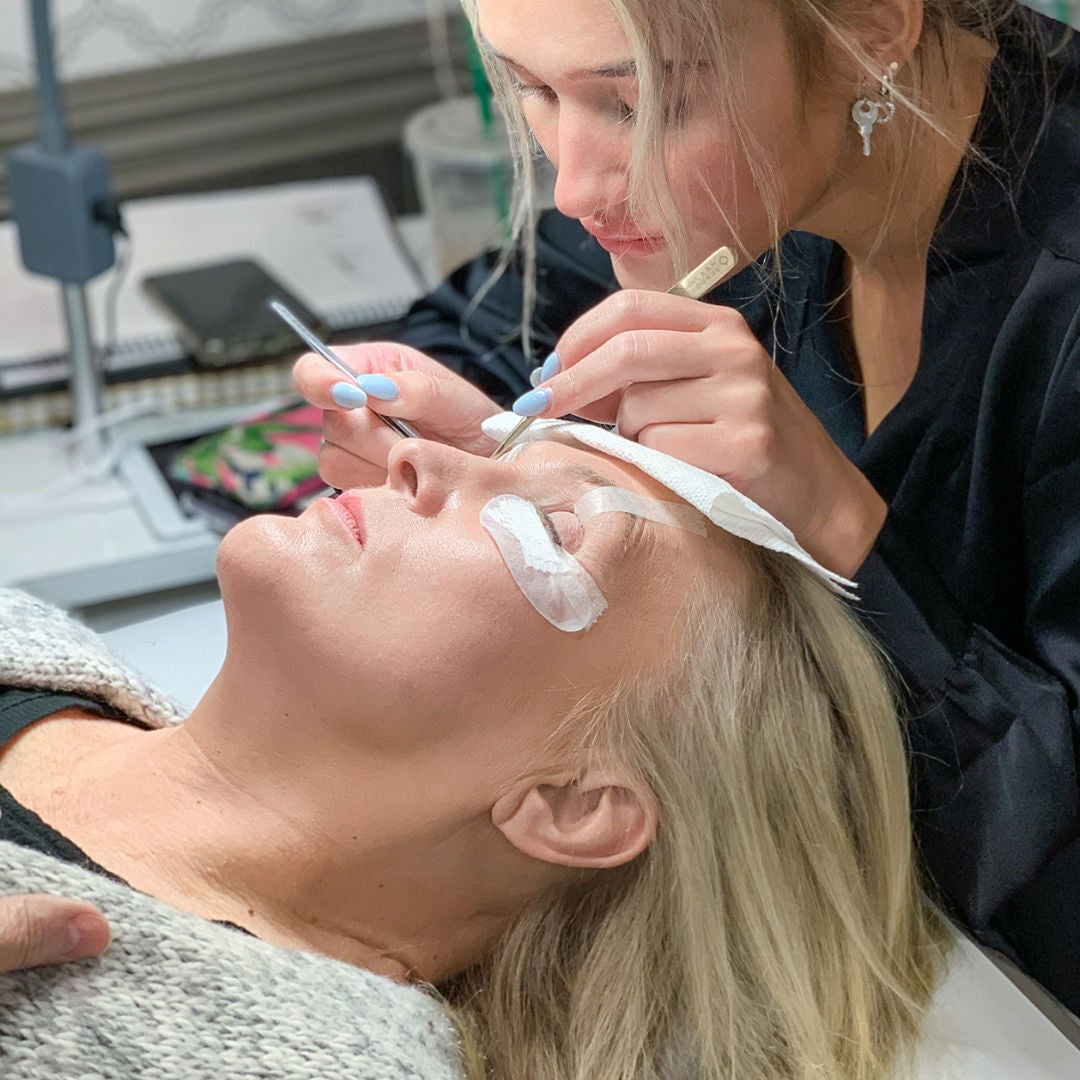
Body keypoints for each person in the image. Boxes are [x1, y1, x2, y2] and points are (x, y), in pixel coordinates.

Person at [289, 0, 1080, 1015]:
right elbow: (493, 324)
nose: (574, 183)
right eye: (531, 88)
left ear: (872, 28)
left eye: (636, 103)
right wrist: (493, 445)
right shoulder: (741, 172)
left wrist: (839, 529)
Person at [0, 425, 1031, 1079]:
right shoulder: (35, 647)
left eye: (551, 520)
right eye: (502, 446)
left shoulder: (281, 1055)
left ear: (575, 801)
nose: (416, 455)